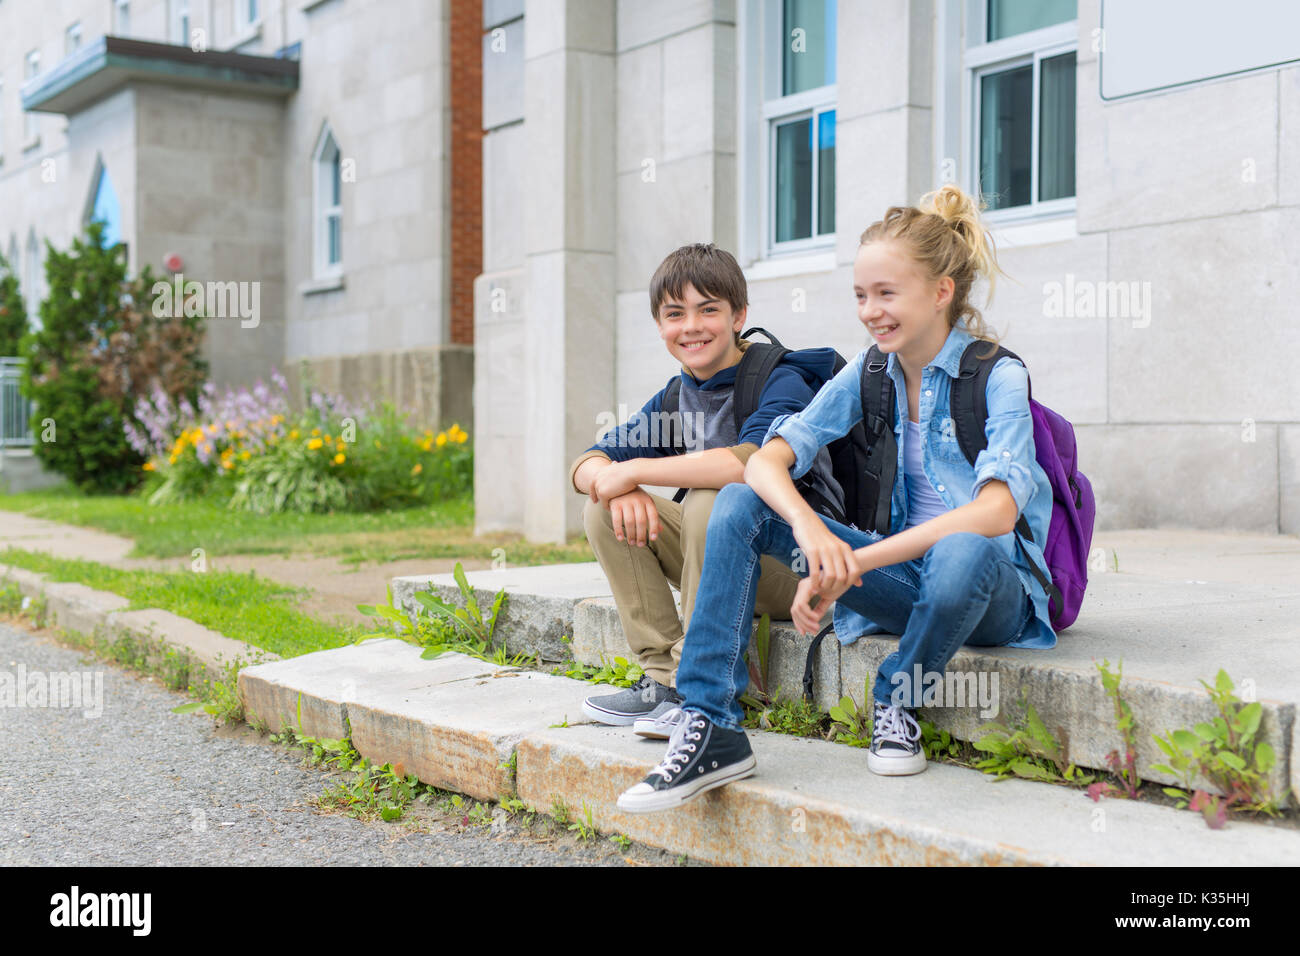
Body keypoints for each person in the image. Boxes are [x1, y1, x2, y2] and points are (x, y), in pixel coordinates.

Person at [617, 184, 1058, 814]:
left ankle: (896, 698)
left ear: (941, 293)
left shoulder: (998, 374)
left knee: (962, 550)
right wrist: (809, 531)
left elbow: (996, 512)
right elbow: (767, 460)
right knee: (744, 502)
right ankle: (710, 721)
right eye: (860, 295)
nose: (870, 311)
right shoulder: (868, 370)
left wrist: (856, 563)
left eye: (886, 294)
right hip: (902, 580)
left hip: (990, 592)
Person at [570, 243, 845, 735]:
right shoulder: (679, 395)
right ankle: (663, 680)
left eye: (708, 309)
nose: (691, 326)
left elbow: (749, 464)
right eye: (675, 314)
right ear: (660, 325)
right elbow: (586, 464)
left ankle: (697, 682)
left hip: (798, 569)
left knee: (712, 498)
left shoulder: (782, 378)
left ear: (739, 315)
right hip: (732, 565)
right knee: (601, 509)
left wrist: (633, 472)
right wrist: (616, 485)